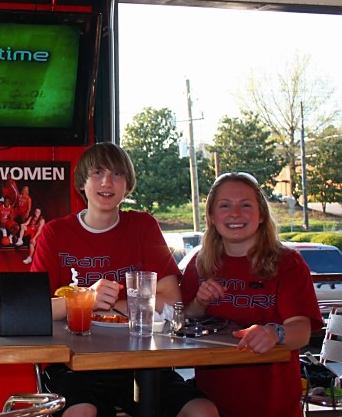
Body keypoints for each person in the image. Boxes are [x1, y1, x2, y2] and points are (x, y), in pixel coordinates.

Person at [30, 142, 218, 417]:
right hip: (74, 366)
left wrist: (109, 306)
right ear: (82, 182)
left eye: (117, 174)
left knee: (203, 410)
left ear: (127, 185)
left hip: (142, 363)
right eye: (97, 172)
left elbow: (171, 300)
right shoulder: (54, 233)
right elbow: (35, 312)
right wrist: (87, 299)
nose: (107, 182)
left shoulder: (143, 226)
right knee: (81, 412)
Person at [180, 172, 323, 417]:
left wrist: (274, 333)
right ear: (212, 216)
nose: (235, 214)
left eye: (245, 205)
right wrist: (199, 302)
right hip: (212, 402)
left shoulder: (288, 263)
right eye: (225, 206)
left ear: (261, 214)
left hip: (273, 404)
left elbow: (301, 331)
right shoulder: (200, 263)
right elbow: (183, 319)